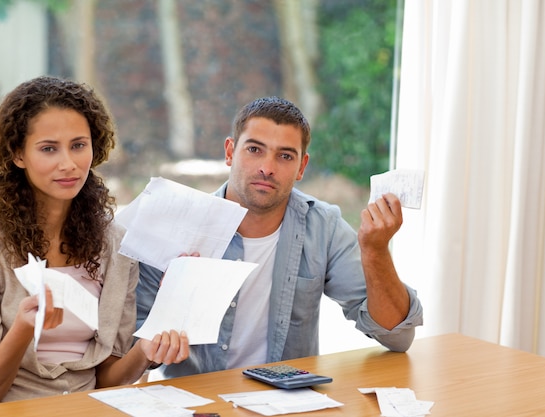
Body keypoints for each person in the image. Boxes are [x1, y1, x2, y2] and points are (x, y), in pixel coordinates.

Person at [0, 76, 189, 407]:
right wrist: (24, 328)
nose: (68, 164)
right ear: (18, 154)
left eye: (78, 145)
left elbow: (106, 380)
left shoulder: (114, 243)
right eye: (48, 149)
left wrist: (145, 350)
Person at [137, 96, 423, 379]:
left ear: (301, 167)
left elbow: (397, 336)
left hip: (287, 404)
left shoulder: (324, 228)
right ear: (230, 152)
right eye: (254, 150)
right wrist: (170, 311)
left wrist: (376, 251)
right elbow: (128, 352)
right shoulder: (176, 226)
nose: (267, 167)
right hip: (196, 403)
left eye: (285, 156)